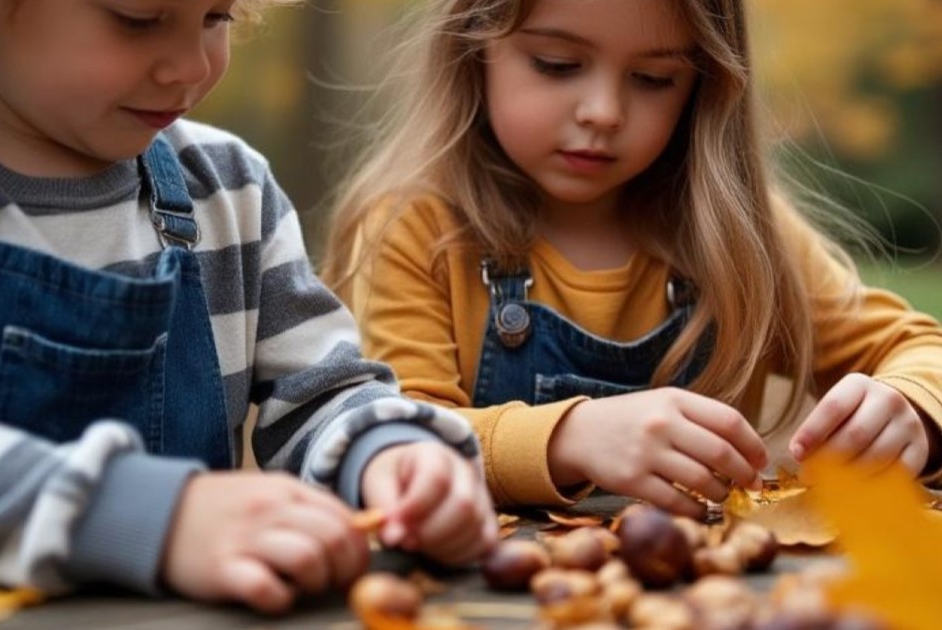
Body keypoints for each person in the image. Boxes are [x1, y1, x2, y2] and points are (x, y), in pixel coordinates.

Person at [0, 0, 498, 613]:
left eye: (216, 16)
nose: (193, 66)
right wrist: (158, 519)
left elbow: (323, 395)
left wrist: (391, 456)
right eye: (139, 19)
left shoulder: (227, 187)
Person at [321, 0, 942, 517]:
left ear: (704, 86)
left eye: (653, 78)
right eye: (557, 64)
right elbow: (394, 436)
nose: (604, 112)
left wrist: (910, 407)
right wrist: (570, 440)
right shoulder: (415, 231)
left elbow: (918, 348)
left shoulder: (741, 238)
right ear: (472, 47)